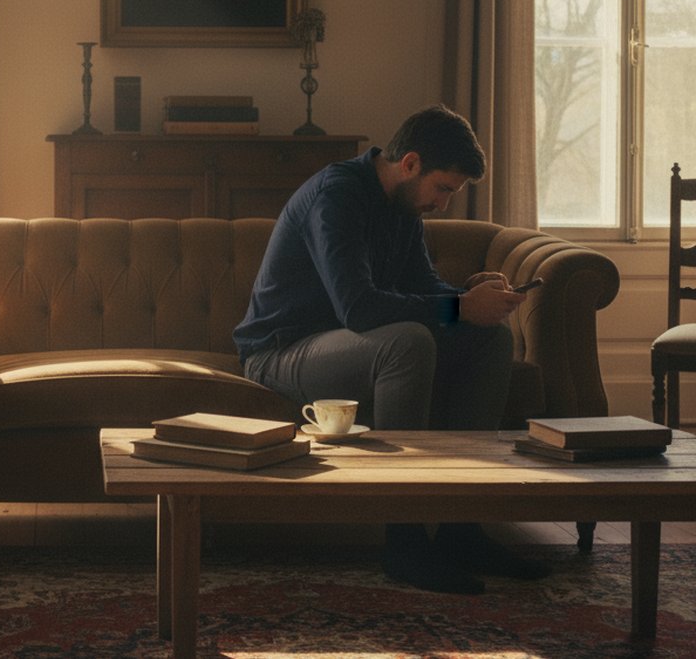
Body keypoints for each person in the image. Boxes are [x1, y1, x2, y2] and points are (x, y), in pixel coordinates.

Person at [233, 104, 549, 594]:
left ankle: (463, 528)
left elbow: (420, 287)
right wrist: (459, 308)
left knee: (490, 337)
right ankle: (404, 541)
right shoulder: (337, 196)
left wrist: (467, 295)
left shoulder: (404, 207)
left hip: (349, 345)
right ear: (411, 164)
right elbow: (358, 309)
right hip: (279, 352)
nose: (443, 204)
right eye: (443, 188)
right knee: (407, 343)